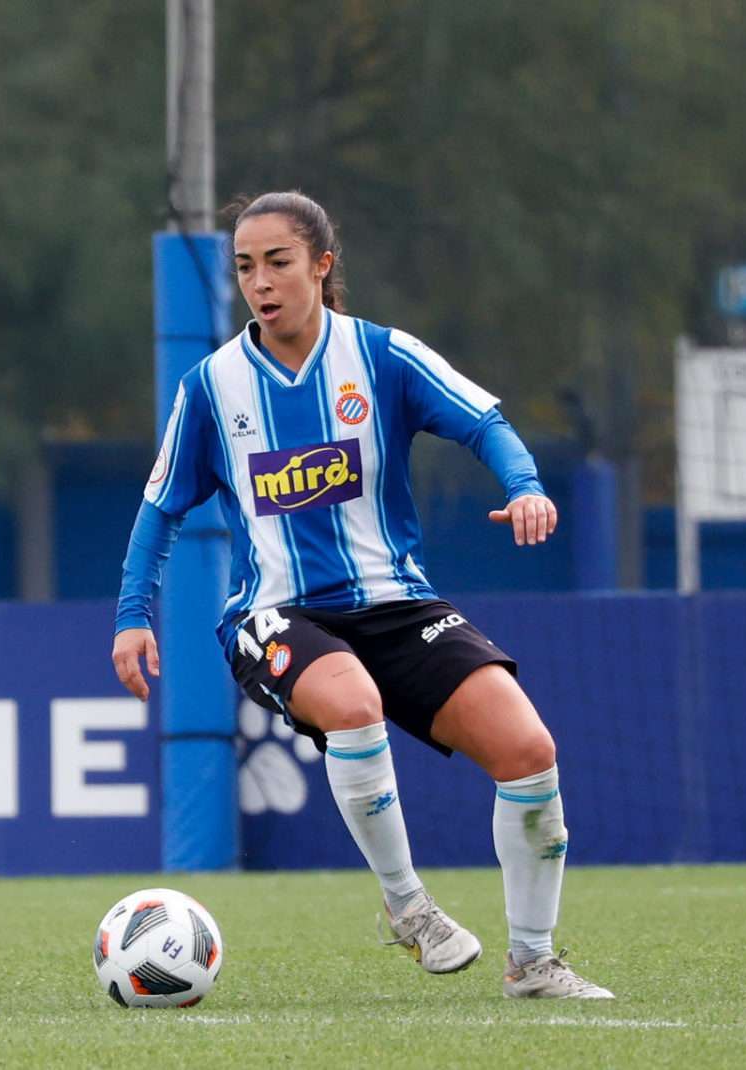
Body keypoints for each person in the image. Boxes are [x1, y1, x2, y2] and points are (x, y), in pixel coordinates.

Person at [111, 190, 612, 1000]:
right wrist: (132, 617)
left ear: (321, 264)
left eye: (277, 261)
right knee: (351, 701)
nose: (261, 282)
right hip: (273, 614)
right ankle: (407, 908)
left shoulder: (381, 356)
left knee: (528, 753)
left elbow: (485, 421)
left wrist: (523, 485)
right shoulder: (211, 386)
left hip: (394, 602)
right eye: (244, 267)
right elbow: (160, 507)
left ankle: (533, 961)